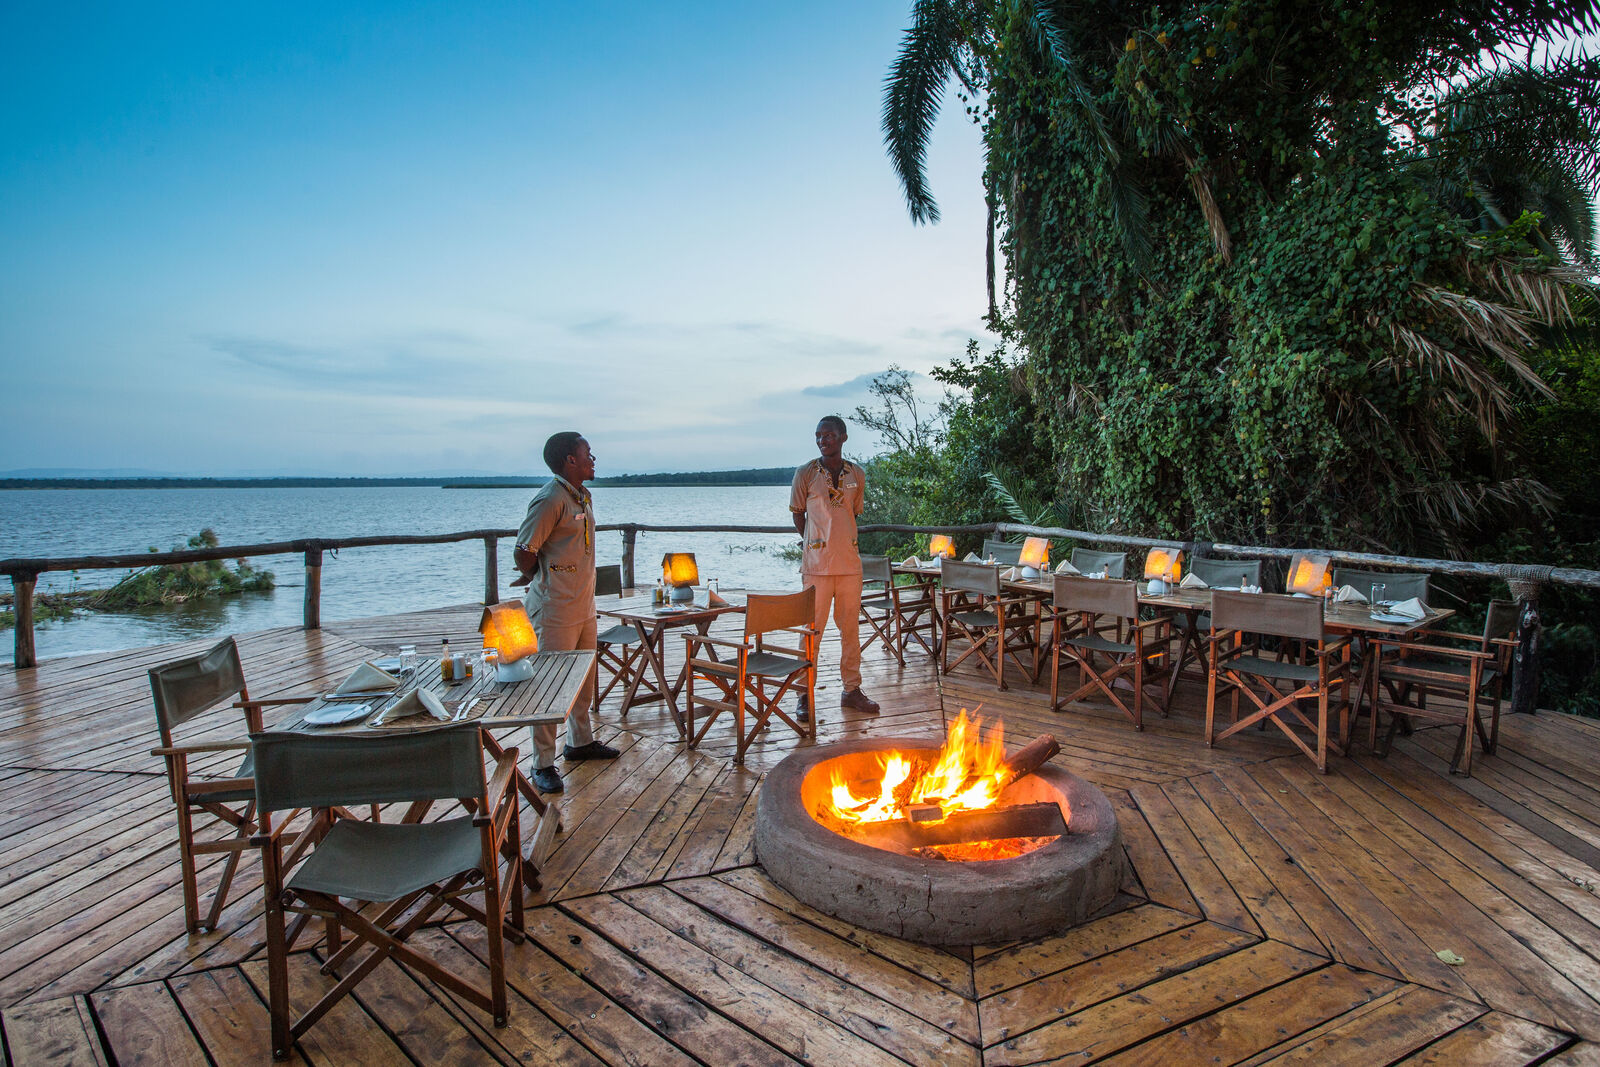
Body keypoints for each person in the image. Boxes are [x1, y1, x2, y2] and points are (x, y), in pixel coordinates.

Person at [513, 432, 619, 794]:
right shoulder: (549, 499)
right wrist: (545, 580)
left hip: (584, 606)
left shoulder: (582, 496)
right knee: (548, 684)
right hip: (555, 609)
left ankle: (579, 743)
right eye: (588, 453)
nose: (594, 458)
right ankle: (542, 762)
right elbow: (524, 553)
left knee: (583, 678)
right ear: (570, 461)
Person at [789, 415, 879, 720]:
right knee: (810, 631)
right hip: (816, 568)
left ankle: (851, 690)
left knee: (850, 629)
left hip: (850, 565)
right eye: (818, 436)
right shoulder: (804, 474)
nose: (822, 440)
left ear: (842, 437)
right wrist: (815, 544)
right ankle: (804, 693)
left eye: (828, 435)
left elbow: (852, 513)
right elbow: (799, 514)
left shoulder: (857, 474)